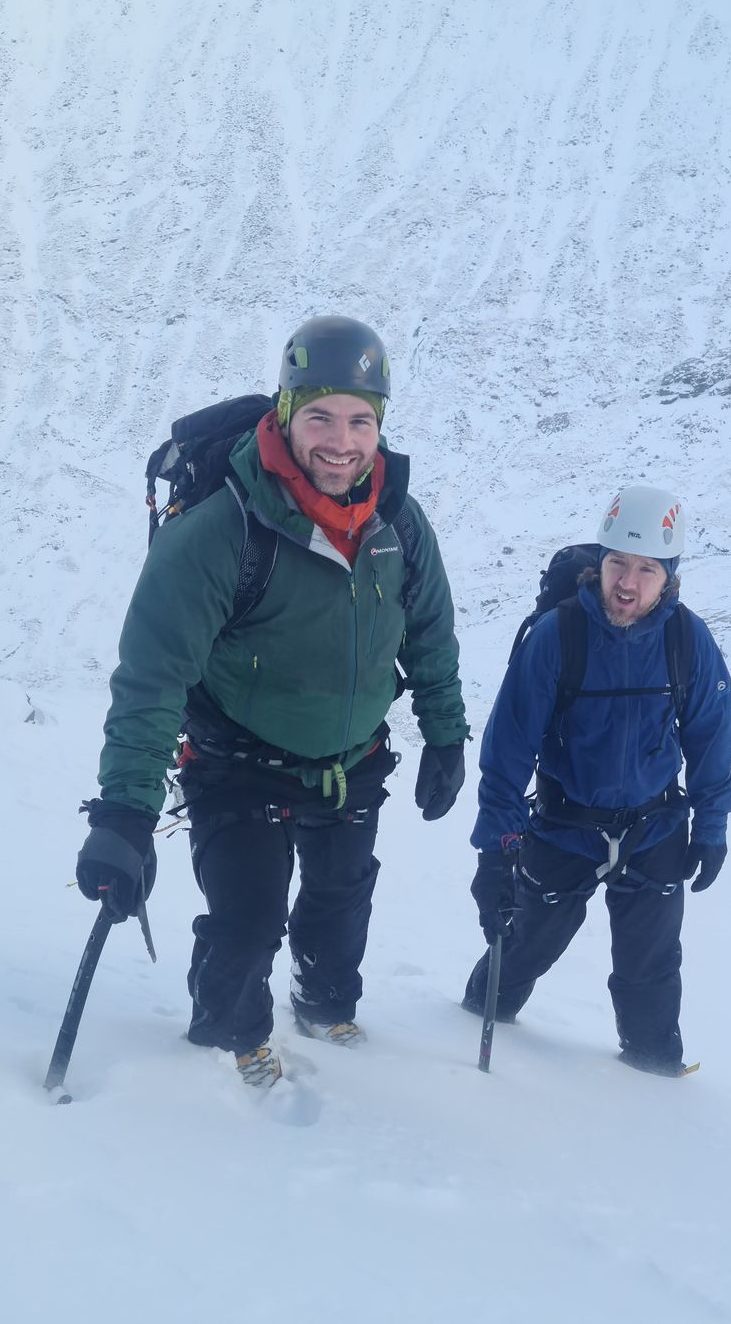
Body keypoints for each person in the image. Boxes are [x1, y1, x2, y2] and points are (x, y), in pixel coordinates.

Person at [76, 315, 469, 1088]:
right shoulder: (222, 530)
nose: (341, 441)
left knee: (342, 899)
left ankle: (325, 1004)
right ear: (285, 414)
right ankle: (231, 1037)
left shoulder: (399, 523)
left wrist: (447, 734)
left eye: (361, 419)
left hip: (351, 764)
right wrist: (125, 812)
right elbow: (152, 677)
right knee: (247, 925)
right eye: (320, 415)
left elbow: (430, 633)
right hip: (238, 765)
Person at [461, 485, 731, 1075]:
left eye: (646, 569)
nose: (628, 584)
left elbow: (711, 741)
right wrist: (497, 851)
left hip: (656, 828)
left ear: (670, 576)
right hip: (565, 826)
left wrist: (711, 829)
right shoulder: (558, 637)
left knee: (652, 966)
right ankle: (477, 1014)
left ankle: (654, 1069)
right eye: (617, 564)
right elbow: (506, 752)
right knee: (529, 941)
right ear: (599, 563)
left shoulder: (689, 642)